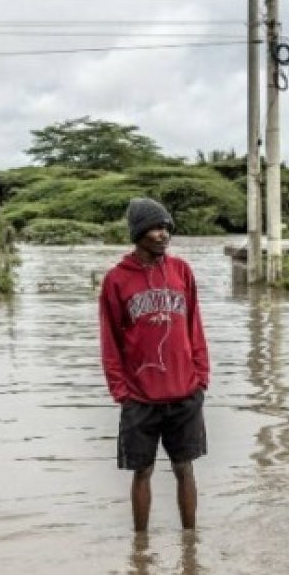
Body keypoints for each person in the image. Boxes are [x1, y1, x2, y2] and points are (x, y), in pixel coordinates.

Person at [99, 198, 209, 532]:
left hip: (185, 392)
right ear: (137, 233)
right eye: (155, 228)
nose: (163, 235)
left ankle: (191, 544)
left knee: (184, 469)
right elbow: (110, 340)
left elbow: (194, 325)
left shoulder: (181, 271)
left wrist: (201, 377)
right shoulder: (117, 280)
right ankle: (141, 548)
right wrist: (121, 392)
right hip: (139, 398)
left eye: (166, 228)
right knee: (142, 472)